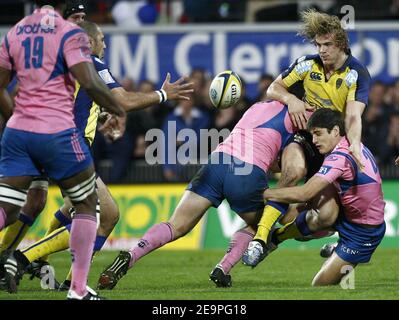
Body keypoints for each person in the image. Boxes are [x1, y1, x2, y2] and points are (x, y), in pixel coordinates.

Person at [0, 18, 194, 292]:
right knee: (103, 213)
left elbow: (76, 100)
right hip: (65, 147)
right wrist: (163, 94)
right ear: (89, 42)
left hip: (34, 137)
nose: (105, 43)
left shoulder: (56, 62)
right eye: (102, 38)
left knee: (36, 205)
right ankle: (23, 258)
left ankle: (48, 268)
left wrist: (103, 115)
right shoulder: (92, 61)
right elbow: (122, 99)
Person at [94, 99, 303, 290]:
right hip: (246, 171)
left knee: (176, 225)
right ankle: (223, 267)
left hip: (216, 161)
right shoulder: (299, 116)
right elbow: (284, 164)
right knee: (265, 223)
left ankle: (130, 256)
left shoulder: (258, 106)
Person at [0, 0, 126, 300]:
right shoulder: (68, 34)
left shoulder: (15, 32)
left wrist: (13, 121)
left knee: (9, 206)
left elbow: (3, 86)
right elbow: (89, 81)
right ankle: (78, 290)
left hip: (18, 131)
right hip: (56, 132)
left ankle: (17, 257)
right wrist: (117, 108)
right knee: (88, 206)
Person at [244, 9, 371, 264]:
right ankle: (259, 239)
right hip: (305, 138)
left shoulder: (356, 74)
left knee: (324, 216)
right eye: (319, 44)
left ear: (341, 45)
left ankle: (276, 239)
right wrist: (291, 99)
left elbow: (354, 117)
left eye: (328, 45)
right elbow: (273, 88)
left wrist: (354, 145)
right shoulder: (306, 64)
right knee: (293, 171)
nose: (322, 50)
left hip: (335, 147)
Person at [256, 109, 385, 286]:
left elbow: (304, 192)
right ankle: (280, 237)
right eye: (312, 135)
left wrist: (262, 193)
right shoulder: (350, 143)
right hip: (347, 214)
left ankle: (332, 247)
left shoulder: (339, 157)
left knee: (319, 285)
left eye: (318, 134)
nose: (314, 140)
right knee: (315, 211)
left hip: (363, 233)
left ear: (335, 131)